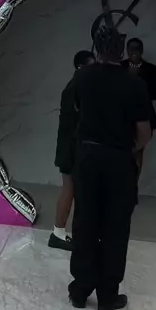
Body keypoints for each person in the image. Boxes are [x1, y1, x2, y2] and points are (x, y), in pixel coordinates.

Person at [68, 25, 152, 310]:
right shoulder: (134, 84)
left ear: (97, 48)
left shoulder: (82, 77)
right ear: (122, 50)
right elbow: (144, 133)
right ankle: (107, 297)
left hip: (88, 157)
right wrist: (127, 149)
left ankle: (80, 291)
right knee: (116, 227)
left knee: (85, 221)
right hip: (118, 161)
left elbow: (77, 110)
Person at [49, 49, 95, 251]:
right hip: (71, 148)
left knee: (72, 189)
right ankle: (58, 233)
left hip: (70, 147)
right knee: (70, 188)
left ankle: (61, 232)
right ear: (81, 66)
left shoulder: (75, 86)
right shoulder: (77, 88)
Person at [122, 37, 156, 172]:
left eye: (137, 50)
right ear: (127, 51)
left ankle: (133, 181)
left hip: (143, 116)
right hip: (122, 116)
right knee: (122, 153)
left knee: (138, 153)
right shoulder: (120, 68)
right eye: (131, 50)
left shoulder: (152, 70)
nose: (134, 53)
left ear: (142, 51)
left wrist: (140, 86)